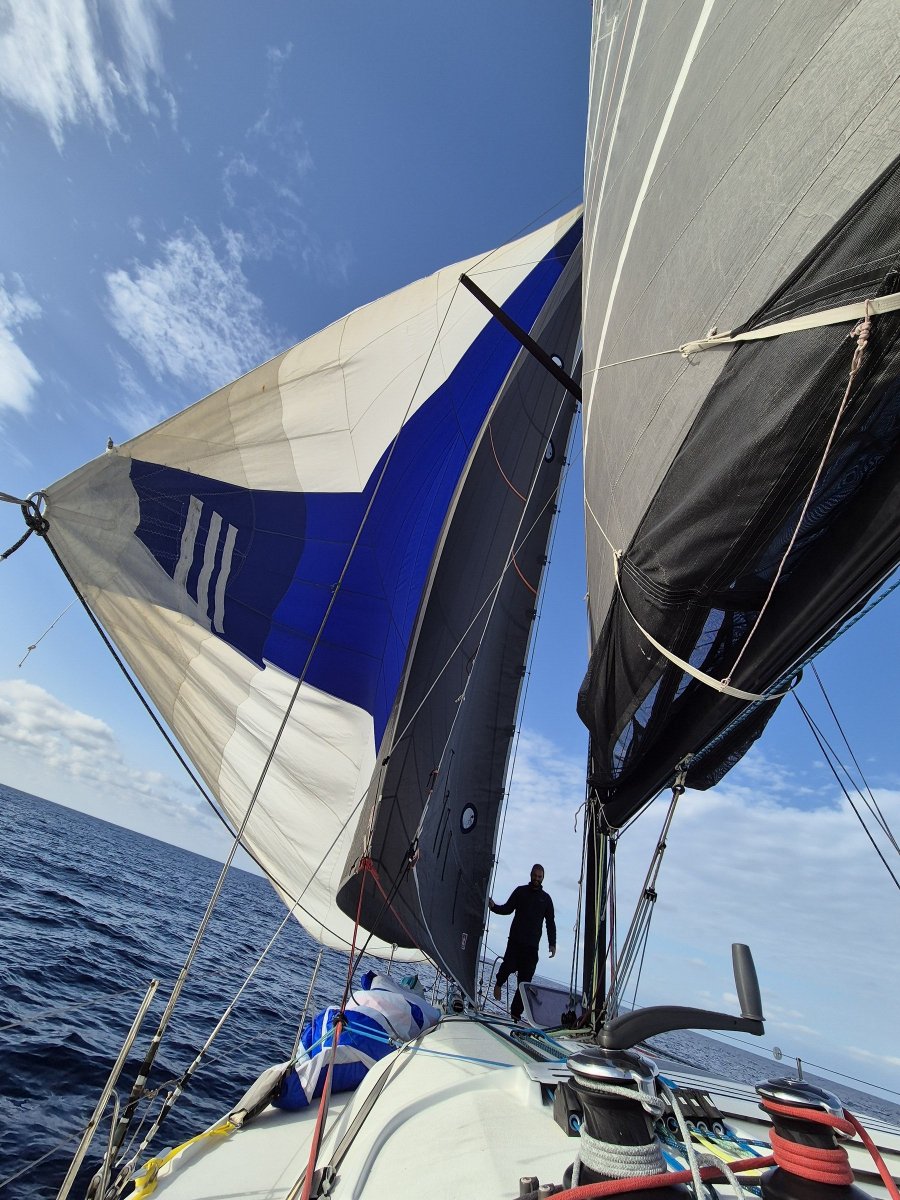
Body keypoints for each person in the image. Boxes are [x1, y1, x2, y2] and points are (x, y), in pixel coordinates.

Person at [488, 864, 556, 1021]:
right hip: (515, 942)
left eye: (539, 877)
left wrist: (552, 943)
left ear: (543, 878)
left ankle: (515, 1015)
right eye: (535, 875)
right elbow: (507, 908)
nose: (537, 879)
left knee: (524, 983)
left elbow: (550, 923)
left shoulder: (546, 899)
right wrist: (493, 907)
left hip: (531, 948)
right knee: (507, 967)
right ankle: (498, 984)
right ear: (531, 875)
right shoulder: (520, 891)